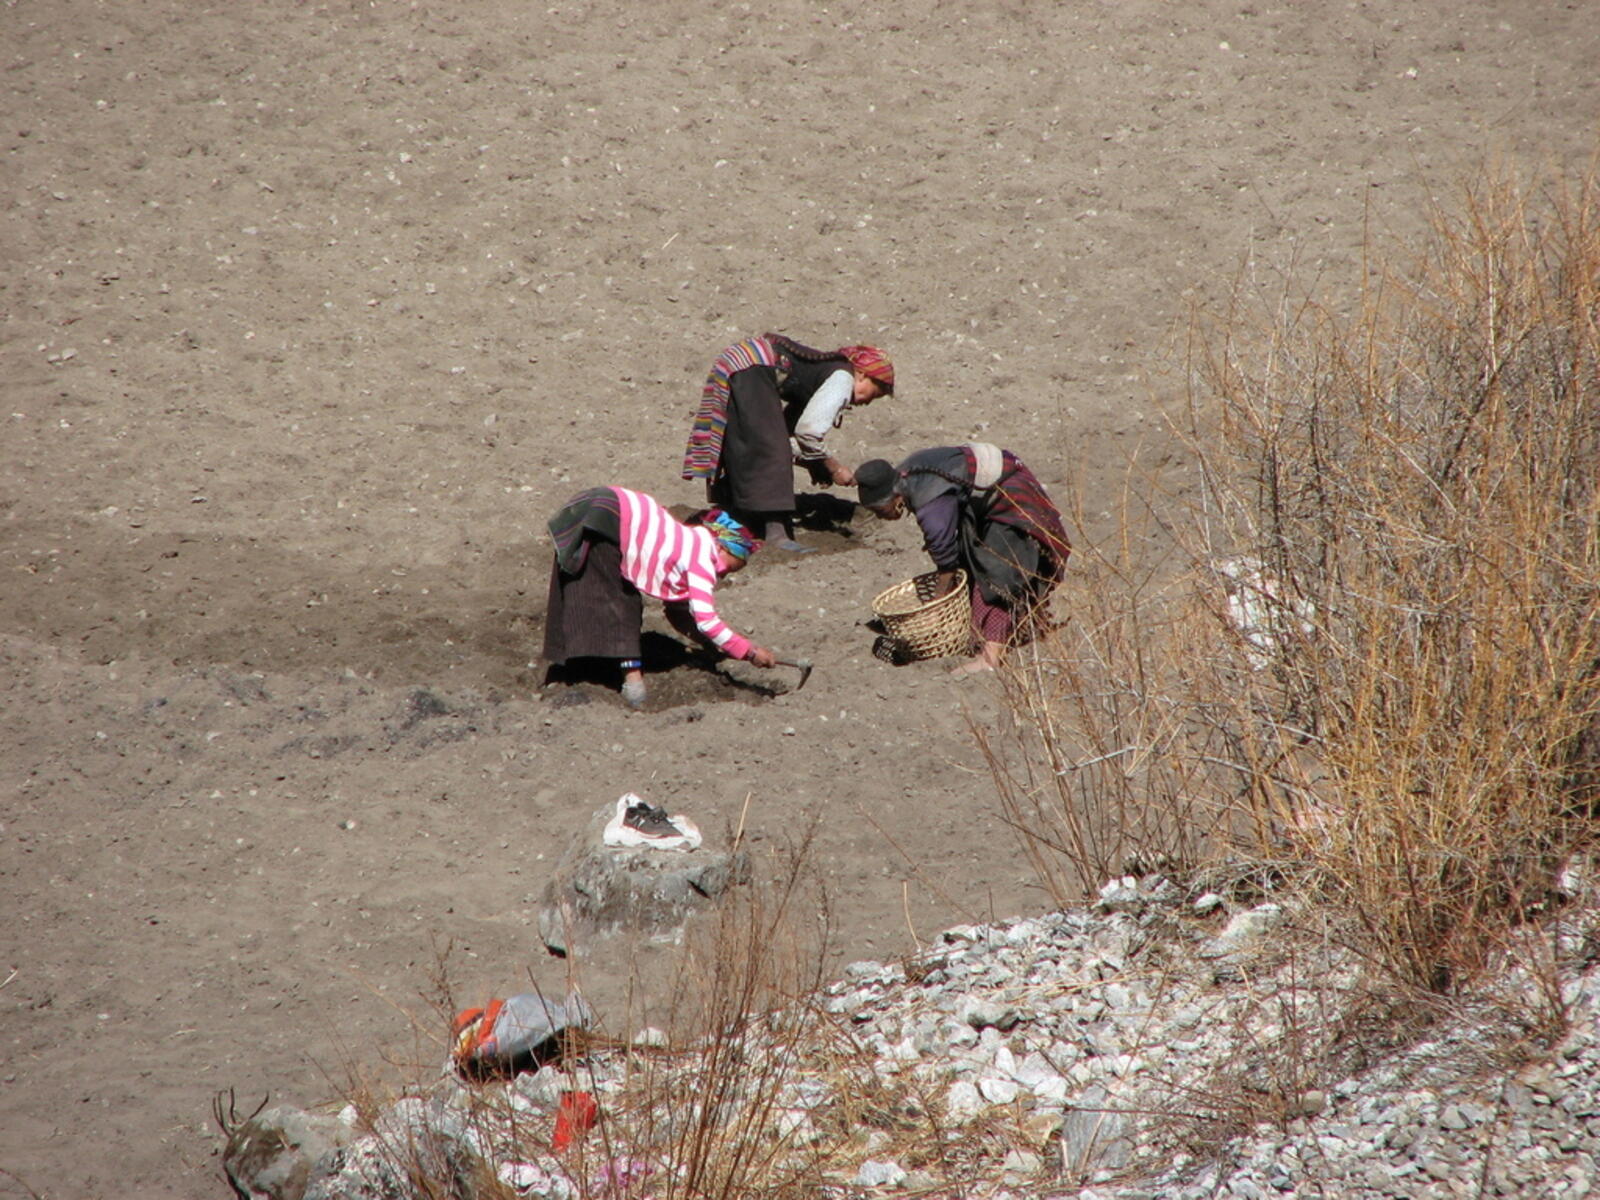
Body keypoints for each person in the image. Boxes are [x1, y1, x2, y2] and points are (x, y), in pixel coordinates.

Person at [543, 486, 777, 707]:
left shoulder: (688, 541)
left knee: (577, 586)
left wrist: (712, 646)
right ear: (720, 548)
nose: (722, 575)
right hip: (608, 517)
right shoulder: (702, 558)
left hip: (598, 505)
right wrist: (749, 651)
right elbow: (706, 620)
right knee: (624, 601)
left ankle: (567, 665)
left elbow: (678, 612)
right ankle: (633, 682)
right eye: (727, 568)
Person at [855, 444, 1071, 674]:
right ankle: (985, 627)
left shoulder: (930, 500)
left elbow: (946, 562)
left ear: (895, 498)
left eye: (880, 511)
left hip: (1007, 494)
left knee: (996, 574)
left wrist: (936, 606)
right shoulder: (905, 476)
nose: (881, 517)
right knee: (972, 560)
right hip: (981, 498)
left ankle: (991, 657)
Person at [682, 333, 895, 553]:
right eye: (874, 393)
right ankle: (777, 534)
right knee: (772, 451)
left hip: (740, 361)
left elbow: (786, 436)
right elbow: (808, 433)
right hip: (753, 365)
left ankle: (734, 516)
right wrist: (835, 468)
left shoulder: (817, 381)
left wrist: (816, 464)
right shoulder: (843, 378)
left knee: (745, 443)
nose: (868, 401)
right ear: (861, 374)